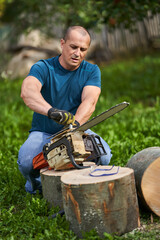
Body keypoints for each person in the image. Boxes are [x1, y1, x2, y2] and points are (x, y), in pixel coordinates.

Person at [18, 26, 112, 194]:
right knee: (26, 162)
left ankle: (82, 183)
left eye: (83, 49)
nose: (78, 53)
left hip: (76, 128)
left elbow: (90, 101)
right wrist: (52, 112)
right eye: (73, 47)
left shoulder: (91, 71)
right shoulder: (43, 67)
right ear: (62, 44)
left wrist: (75, 125)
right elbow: (27, 92)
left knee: (104, 156)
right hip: (44, 132)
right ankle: (38, 186)